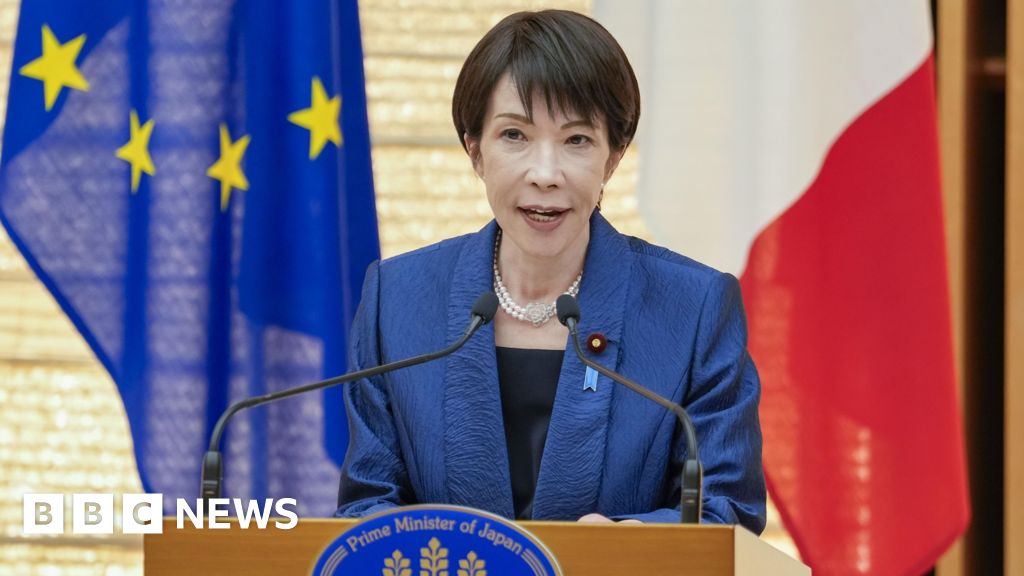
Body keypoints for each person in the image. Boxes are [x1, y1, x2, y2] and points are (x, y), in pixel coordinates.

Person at [335, 9, 765, 531]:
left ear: (613, 156)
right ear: (475, 150)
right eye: (514, 135)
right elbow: (366, 504)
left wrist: (635, 544)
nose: (545, 174)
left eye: (576, 140)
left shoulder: (694, 307)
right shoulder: (397, 299)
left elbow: (727, 512)